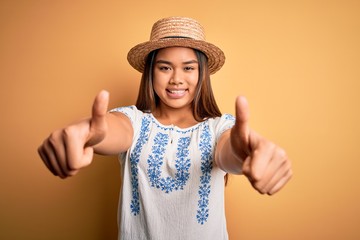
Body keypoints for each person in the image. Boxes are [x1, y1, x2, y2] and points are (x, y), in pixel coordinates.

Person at [38, 16, 292, 240]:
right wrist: (87, 133)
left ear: (202, 74)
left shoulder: (219, 128)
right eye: (165, 67)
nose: (176, 79)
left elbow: (230, 152)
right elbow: (111, 130)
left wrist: (246, 152)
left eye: (189, 68)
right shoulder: (134, 121)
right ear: (151, 72)